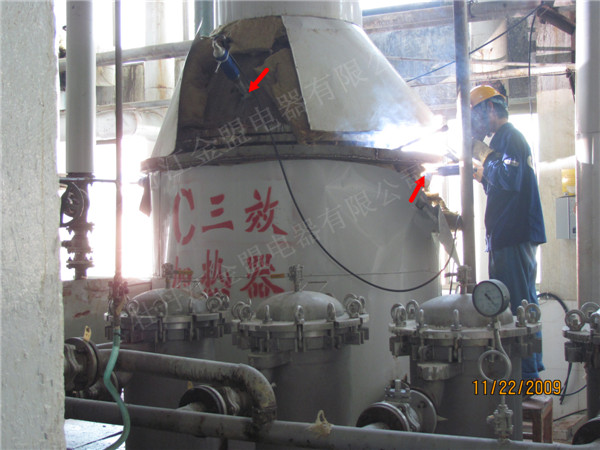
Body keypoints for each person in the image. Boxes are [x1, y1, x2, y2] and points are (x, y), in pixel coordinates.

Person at [470, 84, 546, 381]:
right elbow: (501, 185)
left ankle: (526, 377)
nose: (476, 124)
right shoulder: (502, 140)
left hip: (514, 233)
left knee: (517, 306)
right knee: (514, 303)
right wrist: (482, 174)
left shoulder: (510, 137)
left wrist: (482, 154)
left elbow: (508, 177)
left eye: (477, 114)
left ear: (491, 108)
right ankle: (525, 373)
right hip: (506, 235)